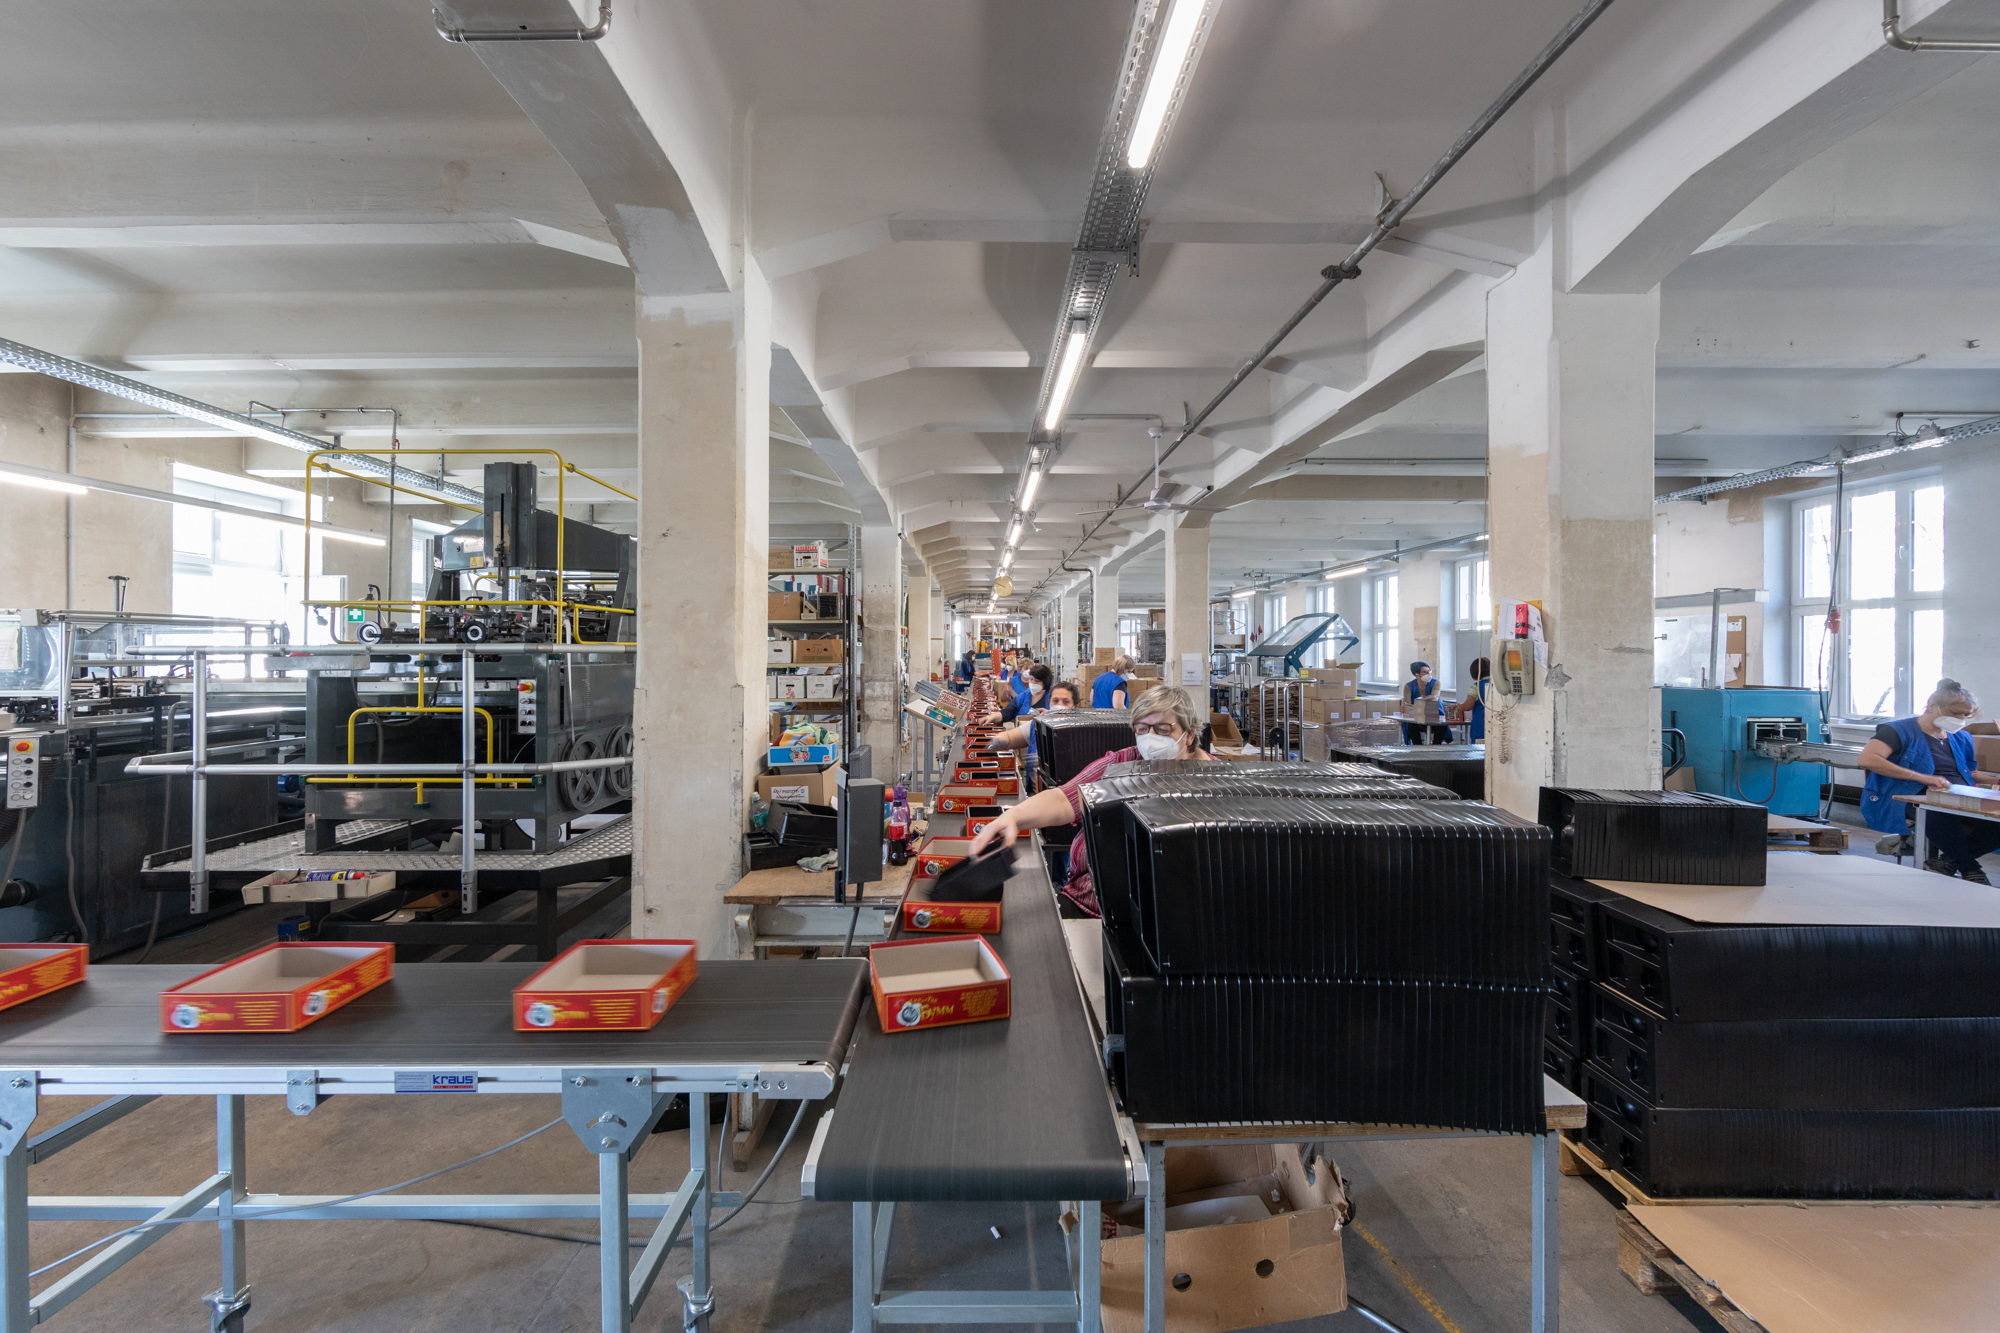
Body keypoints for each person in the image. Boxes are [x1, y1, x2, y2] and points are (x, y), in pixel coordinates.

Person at [969, 683, 1214, 916]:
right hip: (1093, 900)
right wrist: (1013, 816)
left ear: (1189, 734)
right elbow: (1065, 799)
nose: (1151, 738)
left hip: (1172, 914)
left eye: (1162, 730)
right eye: (1142, 729)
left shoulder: (1220, 783)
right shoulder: (1122, 763)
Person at [1858, 678, 1999, 882]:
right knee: (1939, 813)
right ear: (1933, 706)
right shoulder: (1897, 731)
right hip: (1909, 796)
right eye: (1956, 713)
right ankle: (1970, 869)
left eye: (1966, 715)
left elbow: (1971, 773)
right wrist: (1923, 778)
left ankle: (1948, 862)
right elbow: (1868, 759)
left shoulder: (1961, 737)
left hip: (1958, 796)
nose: (1961, 719)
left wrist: (1995, 781)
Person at [1401, 661, 1450, 745]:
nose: (1429, 673)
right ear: (1417, 675)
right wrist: (1405, 706)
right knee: (1412, 726)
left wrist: (1418, 703)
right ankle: (1418, 747)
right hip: (1416, 717)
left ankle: (1436, 746)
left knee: (1442, 727)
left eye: (1429, 671)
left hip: (1435, 714)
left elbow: (1434, 698)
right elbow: (1407, 704)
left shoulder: (1436, 683)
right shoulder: (1409, 686)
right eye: (1425, 672)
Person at [1466, 656, 1492, 743]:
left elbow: (1468, 706)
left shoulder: (1476, 687)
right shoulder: (1498, 686)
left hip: (1480, 725)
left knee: (1478, 748)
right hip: (1497, 724)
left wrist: (1459, 706)